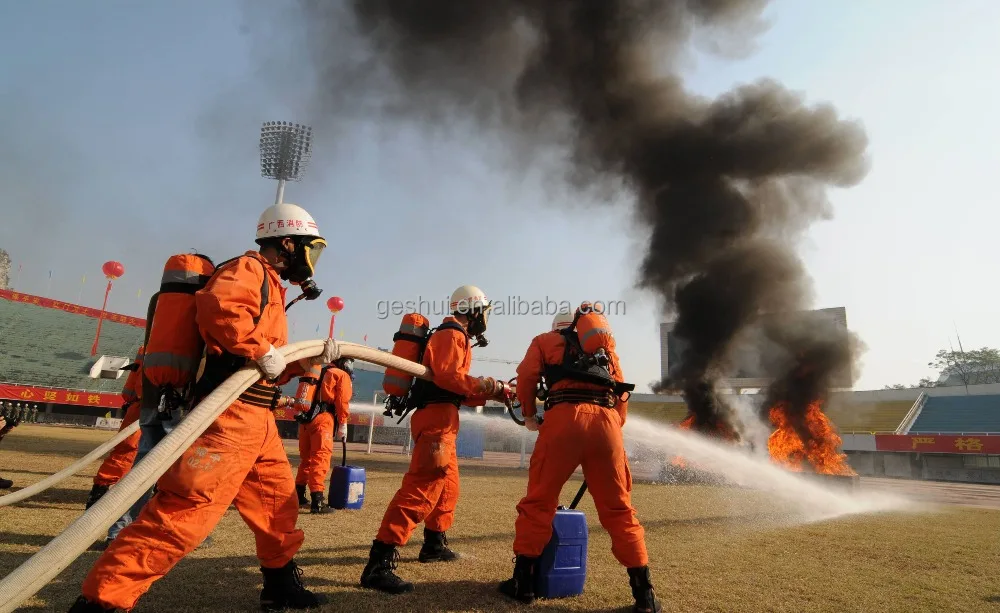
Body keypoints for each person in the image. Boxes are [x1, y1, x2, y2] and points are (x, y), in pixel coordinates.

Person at [69, 203, 336, 613]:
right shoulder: (247, 270)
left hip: (257, 417)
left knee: (277, 503)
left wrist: (306, 360)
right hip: (229, 418)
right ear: (288, 243)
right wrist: (261, 349)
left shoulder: (270, 285)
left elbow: (263, 363)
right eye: (310, 249)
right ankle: (101, 602)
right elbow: (219, 309)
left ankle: (280, 584)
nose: (311, 261)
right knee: (185, 511)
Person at [498, 307, 661, 613]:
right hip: (606, 424)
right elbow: (621, 400)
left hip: (562, 420)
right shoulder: (607, 349)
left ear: (558, 328)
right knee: (619, 509)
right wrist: (607, 437)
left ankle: (523, 584)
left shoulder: (544, 340)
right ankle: (644, 596)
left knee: (539, 502)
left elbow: (527, 377)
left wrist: (531, 417)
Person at [360, 285, 513, 594]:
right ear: (473, 310)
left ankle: (433, 545)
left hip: (444, 417)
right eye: (484, 311)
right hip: (436, 422)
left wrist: (493, 392)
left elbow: (455, 389)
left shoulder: (456, 336)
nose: (486, 317)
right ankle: (380, 563)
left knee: (447, 486)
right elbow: (450, 379)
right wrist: (491, 385)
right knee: (423, 486)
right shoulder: (452, 335)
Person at [85, 347, 145, 512]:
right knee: (128, 450)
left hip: (138, 405)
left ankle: (100, 491)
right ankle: (102, 491)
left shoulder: (148, 344)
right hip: (154, 405)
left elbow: (130, 387)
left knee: (126, 449)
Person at [294, 358, 354, 514]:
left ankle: (298, 495)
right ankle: (318, 501)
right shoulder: (340, 374)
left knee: (306, 460)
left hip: (306, 420)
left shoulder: (318, 372)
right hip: (323, 420)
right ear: (344, 363)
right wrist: (343, 422)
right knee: (320, 458)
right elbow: (342, 401)